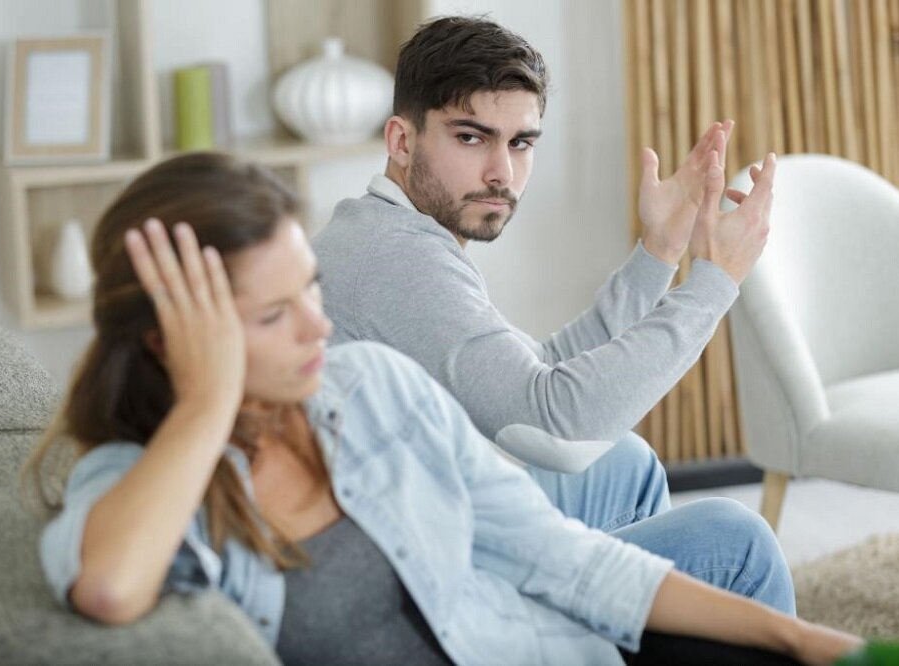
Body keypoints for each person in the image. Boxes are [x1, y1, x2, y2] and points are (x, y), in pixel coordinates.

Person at [27, 153, 860, 665]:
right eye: (276, 315)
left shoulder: (364, 383)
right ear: (174, 339)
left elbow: (559, 541)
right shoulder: (139, 482)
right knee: (710, 527)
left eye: (309, 289)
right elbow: (107, 587)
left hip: (523, 623)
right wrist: (209, 403)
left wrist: (802, 637)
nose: (318, 326)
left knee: (667, 504)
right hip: (495, 567)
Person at [312, 14, 781, 603]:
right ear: (402, 141)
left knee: (622, 463)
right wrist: (716, 281)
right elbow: (557, 428)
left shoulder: (387, 230)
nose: (501, 173)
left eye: (520, 143)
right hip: (416, 582)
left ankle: (635, 631)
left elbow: (534, 376)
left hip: (421, 521)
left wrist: (659, 251)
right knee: (736, 542)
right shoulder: (399, 260)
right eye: (470, 137)